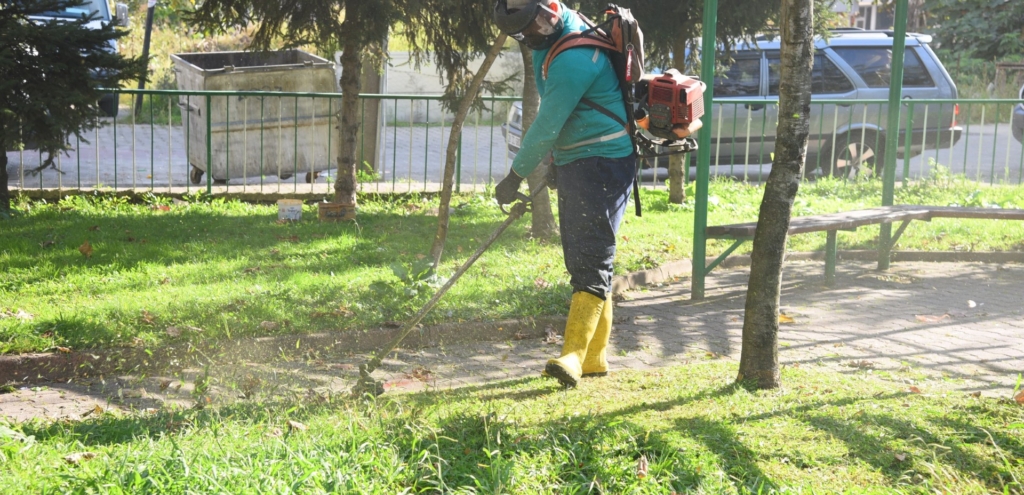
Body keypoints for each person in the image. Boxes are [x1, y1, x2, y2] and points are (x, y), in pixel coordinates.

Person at [493, 0, 637, 388]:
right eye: (526, 31)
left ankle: (572, 355)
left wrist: (515, 175)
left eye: (539, 23)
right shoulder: (558, 37)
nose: (536, 32)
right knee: (584, 258)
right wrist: (559, 162)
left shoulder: (575, 57)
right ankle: (594, 358)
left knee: (592, 257)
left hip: (603, 162)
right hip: (580, 159)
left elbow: (547, 124)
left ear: (552, 7)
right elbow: (569, 117)